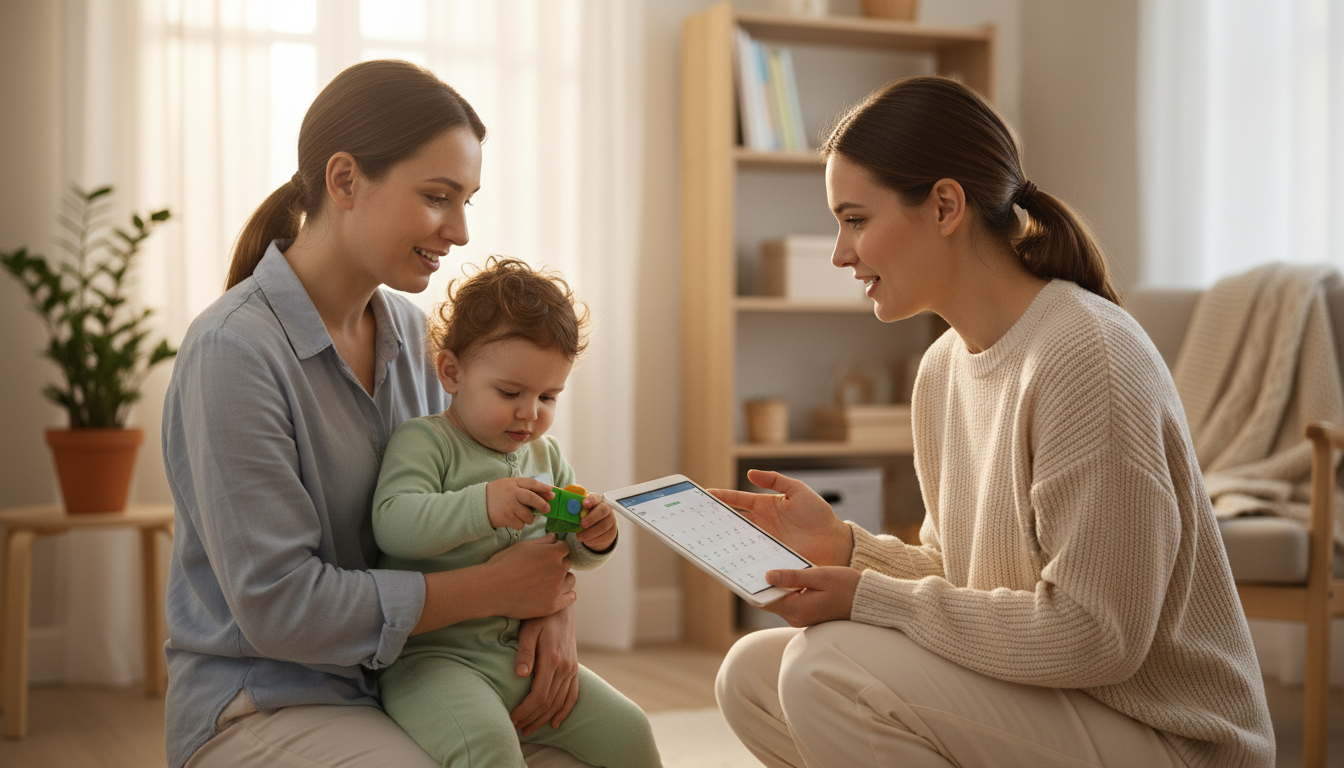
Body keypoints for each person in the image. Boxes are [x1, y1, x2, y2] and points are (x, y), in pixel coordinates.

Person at [711, 76, 1275, 768]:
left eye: (856, 219)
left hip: (1168, 735)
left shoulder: (1084, 355)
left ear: (945, 205)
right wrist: (847, 550)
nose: (840, 252)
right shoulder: (943, 369)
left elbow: (1099, 635)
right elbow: (967, 581)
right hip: (1056, 706)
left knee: (825, 668)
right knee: (752, 674)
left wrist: (868, 599)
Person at [161, 60, 600, 768]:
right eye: (437, 196)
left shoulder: (412, 332)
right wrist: (494, 588)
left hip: (414, 675)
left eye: (467, 201)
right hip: (269, 699)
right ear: (344, 181)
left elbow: (480, 497)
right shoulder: (233, 353)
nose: (458, 230)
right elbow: (281, 608)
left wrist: (554, 608)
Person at [370, 257, 661, 767]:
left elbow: (566, 556)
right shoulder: (426, 441)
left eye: (549, 396)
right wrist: (483, 505)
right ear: (452, 372)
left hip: (518, 660)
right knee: (489, 745)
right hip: (433, 660)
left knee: (631, 730)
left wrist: (594, 538)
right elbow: (393, 525)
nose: (530, 413)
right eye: (510, 393)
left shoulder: (547, 457)